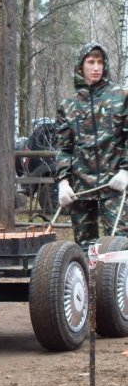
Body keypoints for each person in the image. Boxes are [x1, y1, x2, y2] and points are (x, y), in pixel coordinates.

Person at [55, 43, 128, 246]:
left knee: (120, 246)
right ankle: (89, 279)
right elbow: (63, 147)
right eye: (91, 62)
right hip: (81, 188)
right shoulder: (68, 105)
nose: (96, 67)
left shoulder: (121, 96)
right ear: (81, 66)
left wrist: (125, 171)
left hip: (114, 184)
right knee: (84, 248)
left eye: (100, 62)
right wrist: (62, 182)